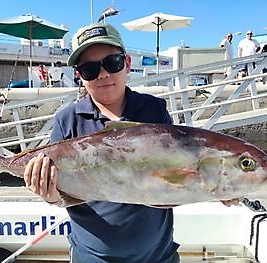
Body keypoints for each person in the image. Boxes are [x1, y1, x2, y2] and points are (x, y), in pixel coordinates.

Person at [23, 23, 180, 263]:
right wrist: (50, 194)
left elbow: (174, 175)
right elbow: (61, 194)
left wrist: (222, 186)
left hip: (157, 255)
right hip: (92, 257)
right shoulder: (68, 120)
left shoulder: (154, 110)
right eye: (89, 69)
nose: (103, 74)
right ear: (79, 75)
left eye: (112, 63)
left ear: (127, 63)